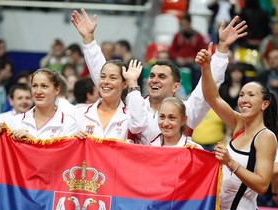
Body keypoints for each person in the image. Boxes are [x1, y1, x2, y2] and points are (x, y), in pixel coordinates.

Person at [71, 8, 247, 143]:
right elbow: (106, 78)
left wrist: (222, 50)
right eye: (153, 75)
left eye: (162, 77)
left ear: (176, 86)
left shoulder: (187, 111)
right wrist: (89, 41)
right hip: (132, 184)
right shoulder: (132, 105)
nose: (154, 80)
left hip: (170, 185)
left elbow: (208, 89)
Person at [196, 42, 278, 210]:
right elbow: (212, 97)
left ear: (264, 104)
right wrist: (205, 68)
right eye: (241, 95)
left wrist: (230, 162)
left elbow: (263, 185)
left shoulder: (265, 137)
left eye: (250, 95)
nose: (243, 99)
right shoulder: (239, 123)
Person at [0, 68, 79, 142]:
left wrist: (32, 141)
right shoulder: (16, 121)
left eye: (44, 86)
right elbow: (9, 157)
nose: (38, 91)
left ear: (57, 90)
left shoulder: (68, 124)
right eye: (34, 86)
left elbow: (66, 158)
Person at [74, 59, 148, 144]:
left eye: (113, 78)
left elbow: (139, 125)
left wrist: (133, 83)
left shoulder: (129, 116)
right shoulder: (80, 112)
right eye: (102, 77)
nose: (106, 82)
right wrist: (73, 138)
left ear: (124, 84)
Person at [0, 83, 32, 190]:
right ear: (11, 101)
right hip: (1, 174)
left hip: (27, 177)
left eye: (27, 98)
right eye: (20, 98)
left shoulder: (37, 121)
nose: (24, 101)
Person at [168, 12, 206, 89]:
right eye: (182, 24)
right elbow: (172, 50)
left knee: (197, 69)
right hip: (179, 60)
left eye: (184, 24)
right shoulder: (177, 35)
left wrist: (192, 59)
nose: (183, 26)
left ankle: (193, 89)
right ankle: (171, 88)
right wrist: (177, 57)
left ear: (189, 23)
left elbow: (201, 51)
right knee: (169, 67)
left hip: (192, 61)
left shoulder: (199, 37)